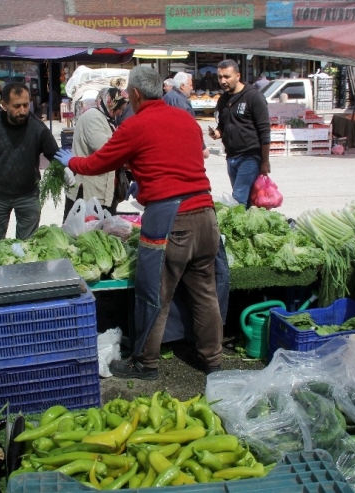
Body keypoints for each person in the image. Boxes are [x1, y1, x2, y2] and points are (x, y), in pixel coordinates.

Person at [55, 66, 227, 380]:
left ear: (134, 94)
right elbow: (176, 159)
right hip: (206, 214)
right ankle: (212, 359)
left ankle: (145, 364)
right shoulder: (187, 119)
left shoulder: (135, 126)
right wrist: (144, 179)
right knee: (205, 291)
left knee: (154, 294)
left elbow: (98, 163)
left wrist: (72, 162)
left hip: (171, 220)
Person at [0, 82, 59, 240]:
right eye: (17, 106)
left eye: (26, 105)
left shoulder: (38, 128)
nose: (23, 111)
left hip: (28, 197)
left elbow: (54, 153)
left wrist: (64, 169)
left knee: (26, 248)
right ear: (4, 105)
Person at [209, 59, 271, 206]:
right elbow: (223, 125)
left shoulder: (253, 97)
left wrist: (265, 161)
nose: (223, 81)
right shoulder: (223, 100)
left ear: (238, 76)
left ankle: (235, 228)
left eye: (227, 76)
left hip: (249, 156)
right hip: (231, 157)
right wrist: (217, 133)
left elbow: (264, 131)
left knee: (238, 199)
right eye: (220, 77)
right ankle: (251, 227)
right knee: (247, 200)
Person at [63, 87, 128, 221]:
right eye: (120, 108)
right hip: (89, 187)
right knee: (85, 231)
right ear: (111, 102)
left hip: (101, 186)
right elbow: (105, 148)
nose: (120, 112)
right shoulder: (93, 117)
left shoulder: (105, 118)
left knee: (101, 232)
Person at [163, 72, 210, 159]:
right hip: (180, 148)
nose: (192, 88)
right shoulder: (180, 101)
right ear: (182, 86)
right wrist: (202, 147)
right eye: (190, 85)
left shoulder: (167, 96)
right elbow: (190, 127)